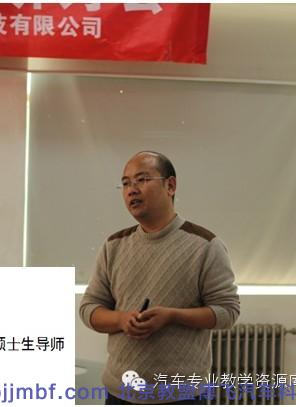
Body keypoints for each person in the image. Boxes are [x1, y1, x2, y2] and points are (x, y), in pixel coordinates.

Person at [79, 151, 240, 405]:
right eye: (126, 183)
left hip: (181, 395)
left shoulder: (205, 245)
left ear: (170, 186)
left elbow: (227, 312)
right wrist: (122, 319)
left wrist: (172, 316)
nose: (132, 190)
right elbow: (89, 308)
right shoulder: (114, 245)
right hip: (120, 393)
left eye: (142, 179)